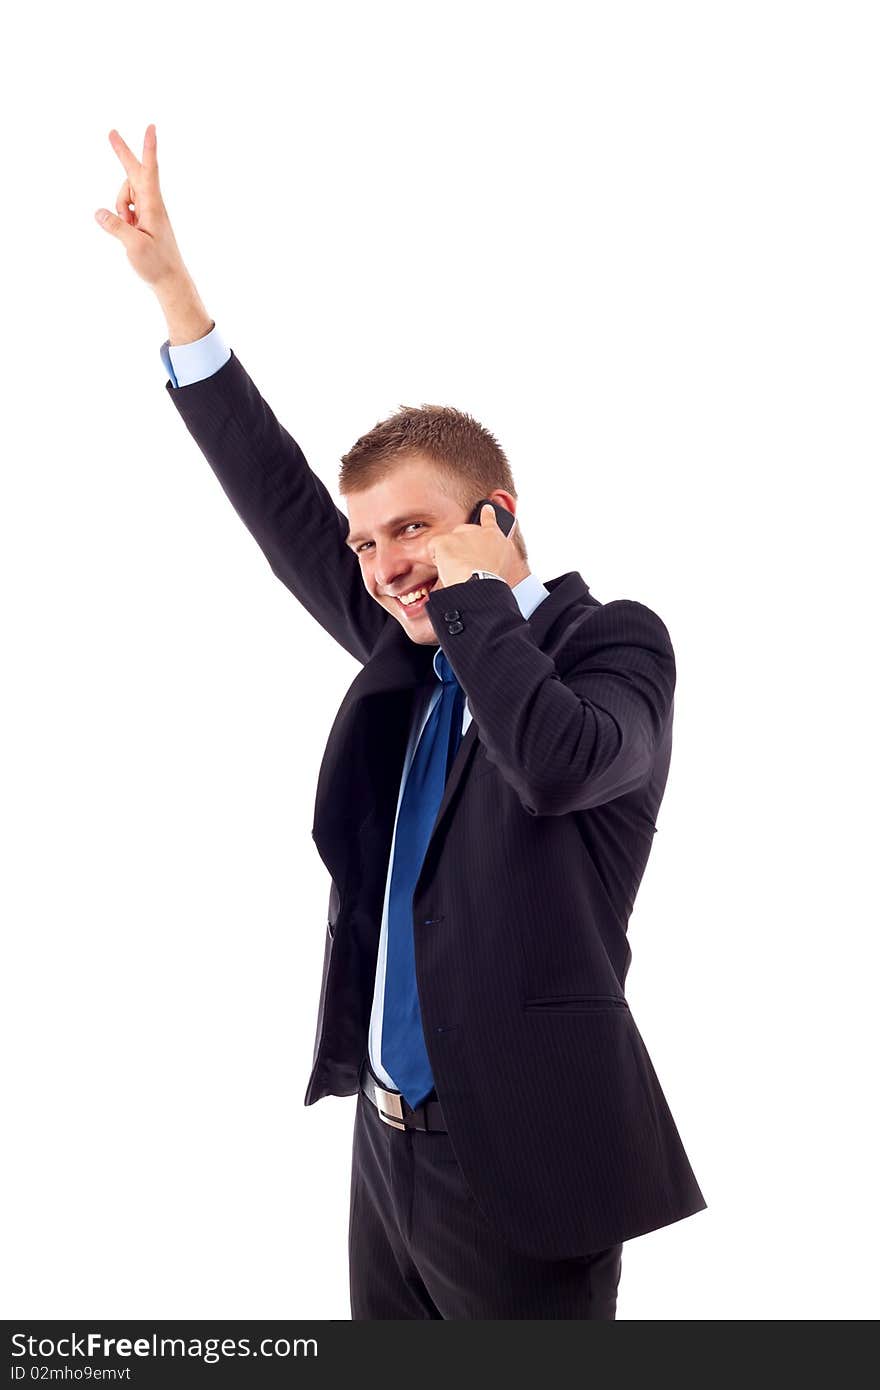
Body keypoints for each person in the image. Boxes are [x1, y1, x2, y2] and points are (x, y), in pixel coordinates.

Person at [96, 124, 707, 1320]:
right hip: (385, 1159)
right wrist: (175, 292)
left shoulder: (612, 645)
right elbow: (277, 500)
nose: (383, 567)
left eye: (411, 530)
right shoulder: (414, 649)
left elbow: (557, 761)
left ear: (493, 514)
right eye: (368, 543)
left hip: (524, 1170)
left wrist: (479, 600)